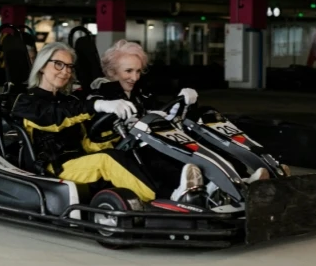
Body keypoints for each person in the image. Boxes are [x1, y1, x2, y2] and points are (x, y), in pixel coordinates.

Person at [11, 42, 201, 203]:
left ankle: (189, 188)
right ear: (43, 66)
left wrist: (112, 133)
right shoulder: (27, 101)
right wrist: (98, 105)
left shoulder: (70, 101)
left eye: (69, 67)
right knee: (107, 160)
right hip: (55, 166)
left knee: (120, 152)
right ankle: (167, 199)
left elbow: (88, 143)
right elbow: (54, 118)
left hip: (79, 160)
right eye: (58, 64)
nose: (65, 71)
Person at [92, 39, 270, 192]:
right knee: (161, 157)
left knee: (199, 142)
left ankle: (243, 179)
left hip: (155, 139)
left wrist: (183, 103)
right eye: (128, 71)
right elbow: (95, 131)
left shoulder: (142, 94)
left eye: (138, 71)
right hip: (128, 149)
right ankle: (197, 189)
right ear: (112, 72)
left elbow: (161, 115)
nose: (135, 77)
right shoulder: (100, 98)